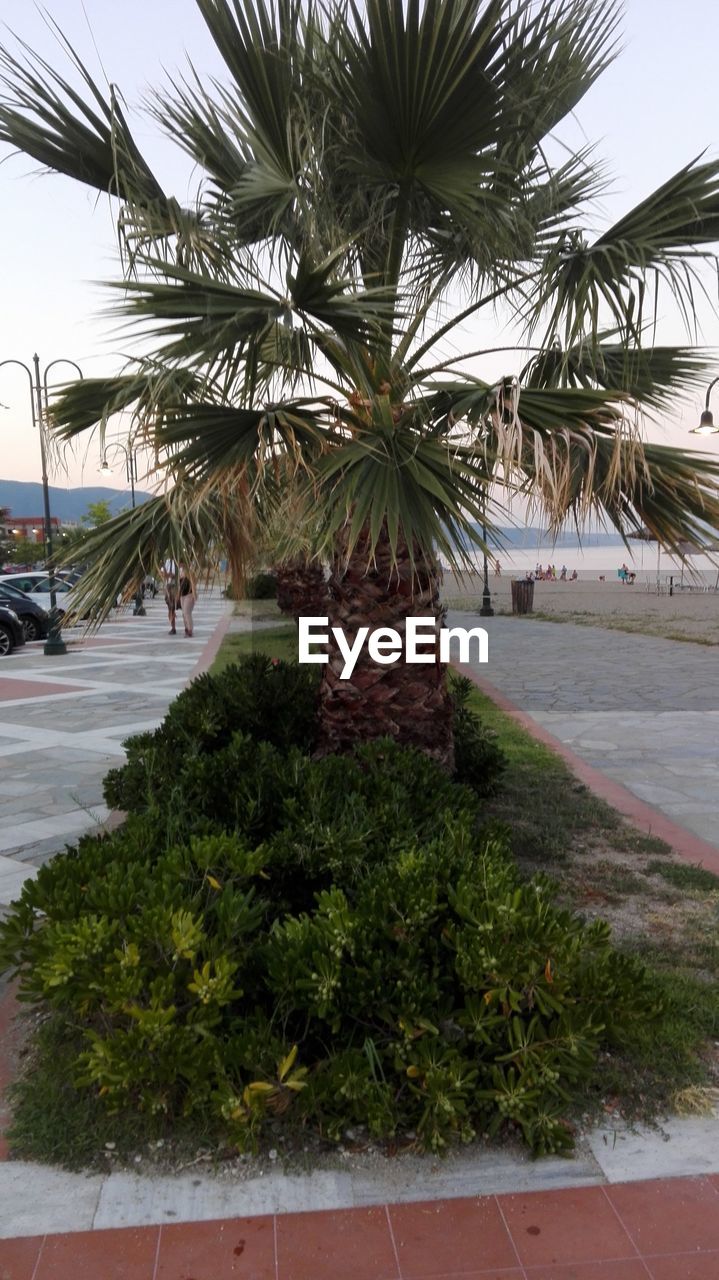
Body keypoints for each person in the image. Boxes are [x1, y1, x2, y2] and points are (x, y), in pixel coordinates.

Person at [178, 565, 196, 636]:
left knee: (187, 612)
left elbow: (193, 583)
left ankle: (190, 630)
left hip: (189, 595)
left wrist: (194, 594)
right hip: (182, 596)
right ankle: (186, 628)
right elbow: (179, 585)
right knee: (183, 613)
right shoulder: (179, 572)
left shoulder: (190, 572)